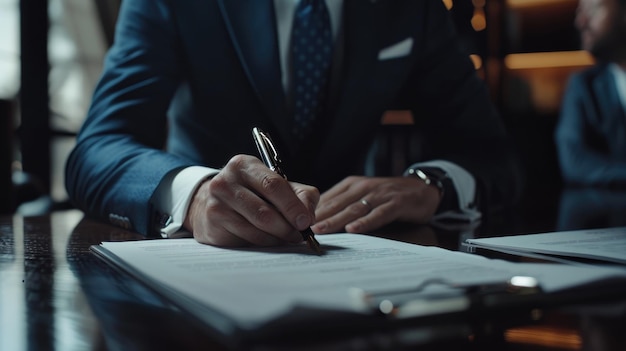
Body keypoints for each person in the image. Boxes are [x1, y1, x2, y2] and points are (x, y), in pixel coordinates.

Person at [65, 0, 521, 247]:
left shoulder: (413, 8)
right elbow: (98, 148)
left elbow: (493, 157)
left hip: (353, 261)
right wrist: (197, 195)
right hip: (203, 270)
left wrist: (430, 184)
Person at [555, 0, 626, 187]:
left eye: (593, 10)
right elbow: (573, 160)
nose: (581, 22)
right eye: (580, 12)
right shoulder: (583, 86)